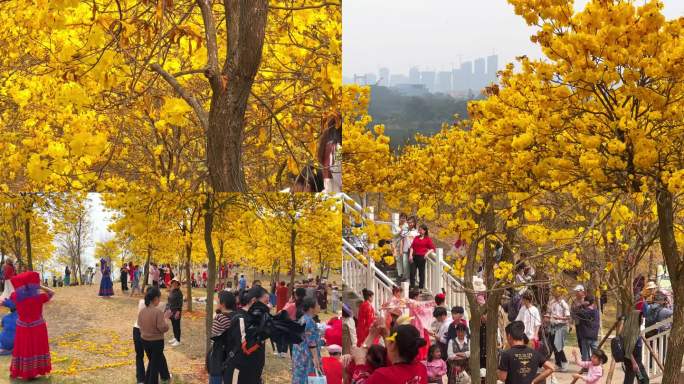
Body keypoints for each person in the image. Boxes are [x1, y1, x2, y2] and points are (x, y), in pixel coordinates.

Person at [9, 271, 55, 380]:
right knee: (37, 347)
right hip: (38, 327)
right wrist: (40, 286)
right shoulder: (39, 297)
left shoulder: (16, 296)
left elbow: (13, 295)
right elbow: (52, 292)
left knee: (22, 348)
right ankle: (36, 370)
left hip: (22, 327)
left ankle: (21, 371)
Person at [351, 323, 429, 384]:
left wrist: (359, 361)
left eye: (389, 340)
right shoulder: (422, 369)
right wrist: (385, 334)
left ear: (393, 344)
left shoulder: (383, 375)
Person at [225, 286, 271, 384]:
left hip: (254, 372)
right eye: (266, 302)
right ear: (254, 301)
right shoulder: (240, 318)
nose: (269, 306)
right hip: (239, 373)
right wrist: (262, 336)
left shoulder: (258, 318)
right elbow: (245, 348)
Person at [138, 287, 172, 384]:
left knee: (152, 364)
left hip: (145, 340)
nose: (159, 301)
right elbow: (163, 328)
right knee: (154, 367)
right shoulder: (158, 312)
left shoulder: (142, 311)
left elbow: (140, 325)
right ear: (156, 299)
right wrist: (166, 318)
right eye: (159, 298)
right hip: (156, 342)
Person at [207, 291, 237, 384]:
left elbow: (214, 340)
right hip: (232, 356)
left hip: (219, 357)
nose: (216, 302)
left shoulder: (219, 318)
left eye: (217, 300)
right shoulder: (237, 316)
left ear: (223, 304)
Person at [292, 297, 323, 384]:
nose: (319, 306)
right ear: (311, 308)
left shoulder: (303, 318)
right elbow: (311, 343)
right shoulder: (309, 321)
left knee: (299, 376)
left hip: (300, 354)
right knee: (307, 377)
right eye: (317, 305)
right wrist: (316, 358)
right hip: (306, 355)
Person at [546, 286, 570, 371]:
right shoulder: (551, 302)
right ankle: (558, 363)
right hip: (552, 326)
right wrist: (547, 317)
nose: (556, 293)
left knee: (558, 345)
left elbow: (567, 317)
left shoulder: (563, 303)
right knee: (553, 345)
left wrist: (559, 318)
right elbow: (549, 312)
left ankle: (564, 362)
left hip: (561, 326)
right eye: (555, 291)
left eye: (558, 292)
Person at [133, 286, 153, 384]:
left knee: (139, 356)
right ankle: (149, 378)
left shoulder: (141, 302)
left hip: (136, 329)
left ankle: (141, 379)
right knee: (153, 357)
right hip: (146, 332)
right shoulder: (154, 306)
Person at [409, 224, 436, 290]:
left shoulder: (427, 239)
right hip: (414, 257)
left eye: (421, 230)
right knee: (412, 272)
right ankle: (412, 287)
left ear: (425, 231)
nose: (420, 231)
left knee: (421, 273)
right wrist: (410, 255)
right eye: (419, 229)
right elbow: (412, 247)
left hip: (422, 258)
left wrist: (427, 254)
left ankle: (421, 288)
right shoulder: (416, 237)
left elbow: (432, 248)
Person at [575, 295, 600, 361]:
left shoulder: (584, 312)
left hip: (586, 336)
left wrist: (581, 304)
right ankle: (599, 368)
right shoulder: (596, 312)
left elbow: (576, 311)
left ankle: (586, 368)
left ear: (586, 302)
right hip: (594, 336)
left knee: (585, 356)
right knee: (596, 354)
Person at [166, 279, 183, 347]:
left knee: (177, 326)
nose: (174, 284)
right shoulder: (172, 291)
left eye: (176, 284)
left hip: (176, 311)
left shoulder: (179, 293)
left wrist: (178, 312)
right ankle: (175, 338)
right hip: (171, 310)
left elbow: (180, 303)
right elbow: (169, 300)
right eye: (173, 283)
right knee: (173, 325)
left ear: (178, 285)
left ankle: (178, 340)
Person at [393, 213, 409, 281]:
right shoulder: (396, 226)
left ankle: (405, 274)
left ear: (406, 219)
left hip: (404, 244)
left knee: (404, 260)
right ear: (399, 218)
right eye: (401, 218)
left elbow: (407, 234)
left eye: (404, 218)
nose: (403, 219)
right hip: (397, 244)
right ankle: (400, 274)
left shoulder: (407, 226)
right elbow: (393, 234)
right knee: (398, 259)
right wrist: (400, 232)